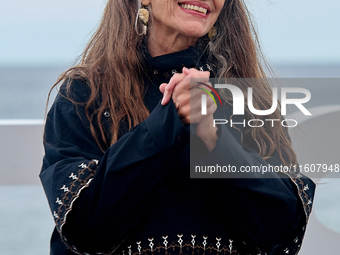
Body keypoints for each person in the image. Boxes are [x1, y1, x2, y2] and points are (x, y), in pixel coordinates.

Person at [40, 0, 316, 254]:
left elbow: (281, 230)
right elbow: (84, 229)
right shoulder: (84, 94)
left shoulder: (249, 98)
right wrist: (170, 120)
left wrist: (212, 139)